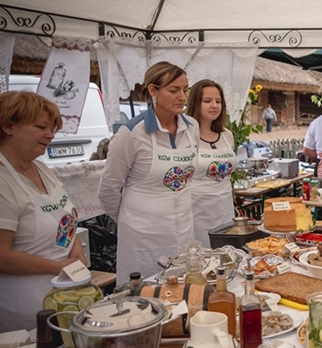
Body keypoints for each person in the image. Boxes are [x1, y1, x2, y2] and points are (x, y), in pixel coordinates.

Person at [99, 61, 198, 282]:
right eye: (174, 90)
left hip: (183, 232)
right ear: (153, 90)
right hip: (143, 239)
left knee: (184, 291)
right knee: (145, 295)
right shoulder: (131, 133)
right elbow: (108, 190)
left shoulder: (192, 127)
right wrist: (134, 220)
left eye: (185, 89)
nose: (182, 97)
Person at [0, 91, 87, 331]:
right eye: (41, 127)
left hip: (66, 294)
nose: (50, 135)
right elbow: (2, 256)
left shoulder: (41, 168)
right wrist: (58, 267)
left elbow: (64, 219)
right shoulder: (3, 181)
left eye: (52, 129)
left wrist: (76, 251)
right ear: (9, 126)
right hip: (26, 309)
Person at [186, 79, 238, 248]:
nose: (214, 106)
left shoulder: (227, 135)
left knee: (226, 253)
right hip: (197, 210)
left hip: (225, 208)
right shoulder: (186, 136)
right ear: (196, 103)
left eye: (218, 101)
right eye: (207, 101)